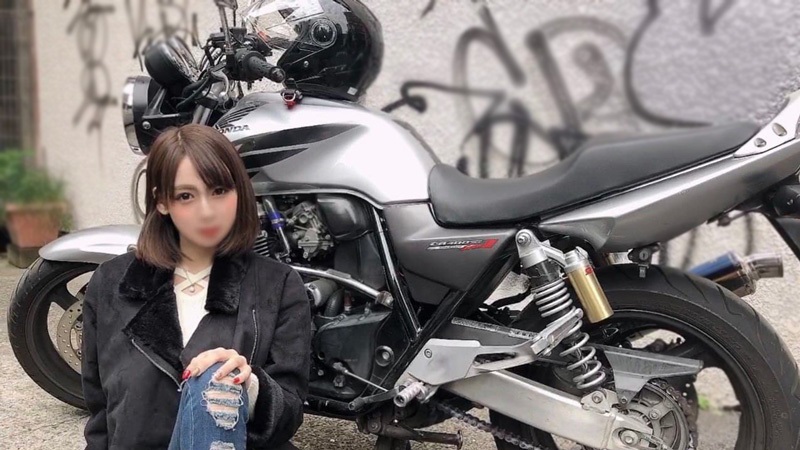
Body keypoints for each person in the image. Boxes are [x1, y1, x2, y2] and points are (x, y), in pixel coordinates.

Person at [81, 124, 311, 450]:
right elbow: (100, 412)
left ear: (239, 191)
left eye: (219, 190)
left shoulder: (278, 285)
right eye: (186, 196)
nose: (206, 211)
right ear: (162, 201)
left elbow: (290, 410)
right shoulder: (111, 283)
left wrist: (249, 387)